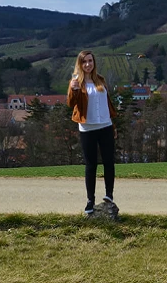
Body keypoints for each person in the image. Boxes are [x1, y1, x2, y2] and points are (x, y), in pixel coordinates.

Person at [67, 50, 118, 214]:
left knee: (109, 162)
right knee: (91, 165)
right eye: (84, 62)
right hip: (87, 129)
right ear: (80, 64)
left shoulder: (101, 80)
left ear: (94, 62)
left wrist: (113, 126)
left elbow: (106, 105)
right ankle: (90, 200)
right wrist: (73, 90)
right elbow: (70, 104)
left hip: (105, 126)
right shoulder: (76, 83)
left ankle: (109, 195)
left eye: (90, 61)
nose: (88, 64)